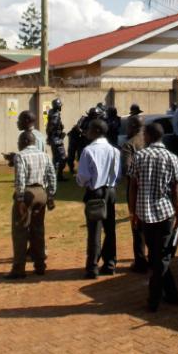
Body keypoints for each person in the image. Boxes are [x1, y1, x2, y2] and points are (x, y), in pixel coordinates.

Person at [129, 123, 178, 313]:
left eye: (144, 134)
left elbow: (133, 187)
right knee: (160, 256)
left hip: (145, 214)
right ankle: (172, 294)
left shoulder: (139, 156)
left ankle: (154, 298)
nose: (143, 137)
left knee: (158, 257)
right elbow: (176, 190)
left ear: (150, 136)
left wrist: (132, 213)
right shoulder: (172, 158)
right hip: (165, 213)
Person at [5, 130, 57, 280]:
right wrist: (51, 195)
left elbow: (20, 179)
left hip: (27, 194)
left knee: (20, 231)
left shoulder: (21, 156)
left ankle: (19, 268)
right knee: (38, 230)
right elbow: (52, 176)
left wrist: (20, 199)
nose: (18, 145)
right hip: (41, 193)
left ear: (24, 142)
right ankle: (40, 265)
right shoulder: (44, 155)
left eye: (19, 142)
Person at [76, 119, 122, 279]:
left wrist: (84, 183)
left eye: (88, 129)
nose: (86, 131)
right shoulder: (114, 150)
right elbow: (117, 174)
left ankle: (92, 267)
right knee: (110, 229)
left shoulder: (88, 151)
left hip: (94, 192)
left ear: (95, 131)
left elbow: (82, 176)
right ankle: (110, 264)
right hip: (111, 191)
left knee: (94, 231)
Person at [121, 114, 148, 273]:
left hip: (136, 189)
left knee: (137, 225)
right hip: (153, 189)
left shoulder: (129, 145)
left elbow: (126, 169)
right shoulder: (150, 140)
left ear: (132, 126)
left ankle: (140, 261)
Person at [46, 98, 68, 181]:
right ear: (57, 106)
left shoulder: (52, 112)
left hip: (54, 138)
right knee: (62, 158)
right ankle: (58, 176)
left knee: (55, 159)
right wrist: (58, 135)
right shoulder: (55, 115)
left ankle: (54, 176)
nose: (61, 107)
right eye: (60, 106)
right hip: (56, 139)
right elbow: (51, 127)